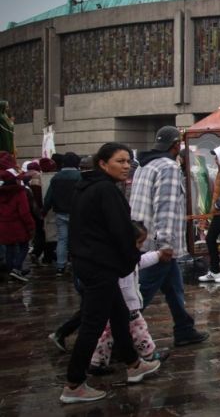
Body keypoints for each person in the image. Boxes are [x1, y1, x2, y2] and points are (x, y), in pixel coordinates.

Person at [60, 142, 161, 403]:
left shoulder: (86, 187)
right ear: (103, 164)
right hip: (100, 266)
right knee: (93, 325)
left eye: (128, 161)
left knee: (118, 314)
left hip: (90, 262)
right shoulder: (105, 189)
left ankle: (133, 364)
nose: (126, 166)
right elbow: (120, 231)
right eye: (120, 161)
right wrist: (131, 260)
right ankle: (74, 383)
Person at [129, 126, 209, 347]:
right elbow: (165, 206)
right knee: (139, 295)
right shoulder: (168, 168)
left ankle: (184, 328)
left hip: (143, 236)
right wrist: (165, 244)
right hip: (158, 244)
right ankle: (117, 337)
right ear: (176, 146)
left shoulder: (144, 166)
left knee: (174, 288)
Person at [199, 145, 220, 283]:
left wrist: (217, 205)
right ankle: (219, 270)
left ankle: (217, 270)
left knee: (214, 239)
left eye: (217, 156)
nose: (215, 159)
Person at [43, 152, 82, 275]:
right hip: (77, 213)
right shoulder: (80, 176)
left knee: (62, 239)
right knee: (78, 239)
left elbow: (49, 197)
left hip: (60, 212)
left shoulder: (56, 177)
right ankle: (77, 264)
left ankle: (60, 266)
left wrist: (44, 210)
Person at [0, 160, 35, 283]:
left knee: (9, 248)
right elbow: (24, 212)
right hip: (18, 225)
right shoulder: (19, 192)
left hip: (4, 225)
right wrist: (31, 225)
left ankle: (11, 272)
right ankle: (16, 268)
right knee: (24, 246)